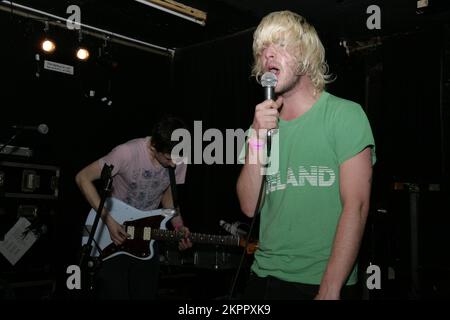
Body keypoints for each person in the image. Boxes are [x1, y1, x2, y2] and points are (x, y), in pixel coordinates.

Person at [236, 11, 376, 300]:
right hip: (262, 276)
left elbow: (357, 205)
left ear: (307, 54)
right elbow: (250, 206)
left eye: (280, 45)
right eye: (263, 49)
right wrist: (257, 139)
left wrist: (331, 286)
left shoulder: (344, 115)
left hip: (321, 281)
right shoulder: (260, 125)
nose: (268, 55)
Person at [75, 116, 191, 299]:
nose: (174, 164)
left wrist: (177, 225)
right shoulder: (126, 153)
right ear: (153, 146)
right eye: (169, 158)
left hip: (146, 236)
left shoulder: (178, 157)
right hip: (113, 233)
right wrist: (109, 220)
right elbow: (82, 178)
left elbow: (169, 195)